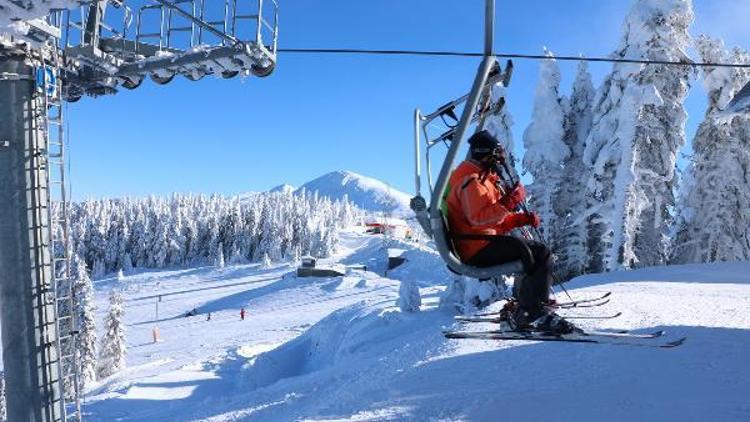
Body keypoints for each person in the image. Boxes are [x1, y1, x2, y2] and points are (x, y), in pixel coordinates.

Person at [444, 130, 576, 334]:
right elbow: (478, 220)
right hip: (476, 247)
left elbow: (492, 220)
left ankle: (529, 305)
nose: (499, 161)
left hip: (480, 241)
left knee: (535, 251)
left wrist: (520, 218)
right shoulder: (470, 180)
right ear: (485, 154)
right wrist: (511, 201)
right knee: (538, 252)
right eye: (496, 155)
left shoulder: (481, 177)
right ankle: (533, 312)